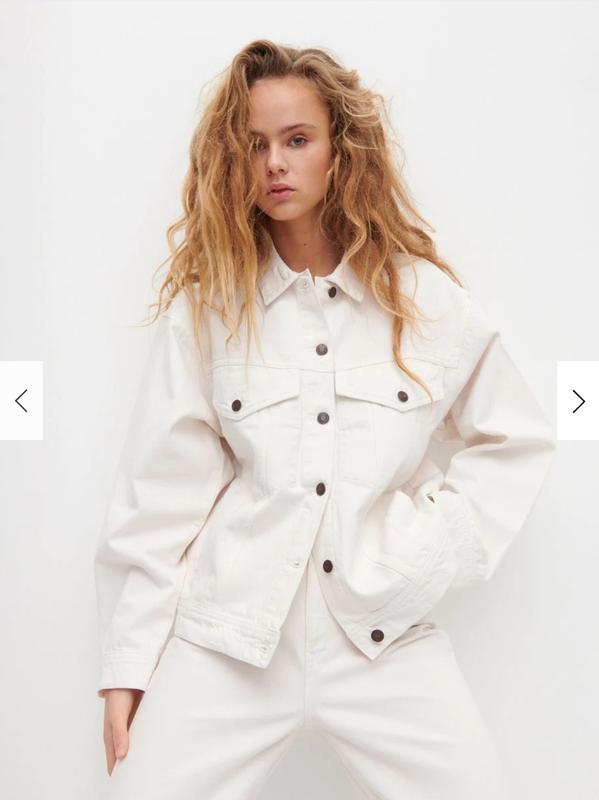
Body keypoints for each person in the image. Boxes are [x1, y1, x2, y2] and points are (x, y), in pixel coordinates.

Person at [94, 39, 556, 799]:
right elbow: (161, 498)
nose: (274, 163)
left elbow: (516, 438)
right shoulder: (210, 311)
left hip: (382, 638)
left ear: (340, 153)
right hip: (232, 639)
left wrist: (422, 551)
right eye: (254, 145)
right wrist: (127, 667)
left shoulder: (421, 300)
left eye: (297, 140)